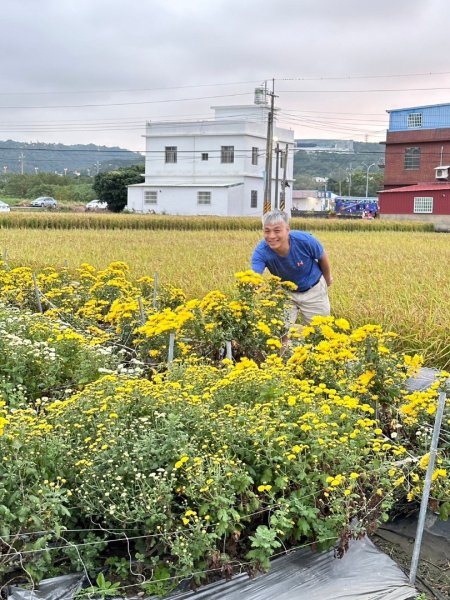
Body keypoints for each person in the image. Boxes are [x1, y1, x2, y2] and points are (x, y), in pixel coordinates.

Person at [251, 210, 333, 327]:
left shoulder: (304, 240)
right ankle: (283, 344)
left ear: (287, 229)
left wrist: (328, 278)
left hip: (313, 289)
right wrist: (253, 283)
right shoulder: (261, 251)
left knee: (319, 331)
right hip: (285, 293)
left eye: (277, 231)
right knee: (279, 330)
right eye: (267, 231)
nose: (271, 236)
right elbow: (255, 274)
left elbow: (322, 257)